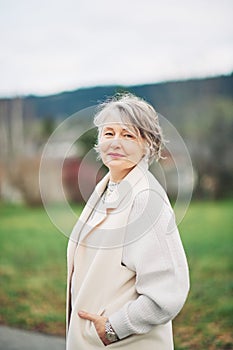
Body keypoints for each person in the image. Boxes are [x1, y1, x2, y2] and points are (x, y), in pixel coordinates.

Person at [66, 93, 190, 349]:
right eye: (108, 133)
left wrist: (113, 328)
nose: (115, 143)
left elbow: (169, 292)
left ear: (148, 144)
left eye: (128, 135)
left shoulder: (146, 199)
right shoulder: (107, 188)